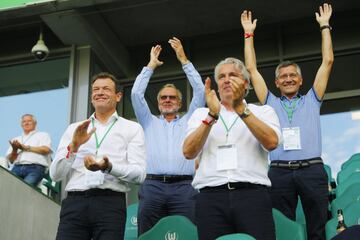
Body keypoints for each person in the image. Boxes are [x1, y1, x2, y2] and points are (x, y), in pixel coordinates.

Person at [241, 3, 334, 240]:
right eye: (283, 76)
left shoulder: (313, 99)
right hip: (279, 172)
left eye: (293, 75)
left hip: (312, 169)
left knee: (318, 226)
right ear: (277, 83)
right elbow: (251, 69)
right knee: (281, 228)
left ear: (301, 80)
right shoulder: (269, 102)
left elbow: (328, 62)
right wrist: (248, 34)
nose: (288, 79)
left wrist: (325, 26)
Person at [183, 57, 282, 240]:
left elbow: (271, 142)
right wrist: (211, 116)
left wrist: (240, 109)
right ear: (217, 85)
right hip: (211, 197)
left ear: (245, 83)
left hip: (252, 195)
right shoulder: (200, 114)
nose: (226, 80)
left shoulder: (263, 111)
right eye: (221, 77)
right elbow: (188, 152)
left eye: (233, 75)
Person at [50, 72, 146, 240]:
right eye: (96, 89)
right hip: (75, 203)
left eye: (106, 89)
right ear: (91, 97)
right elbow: (55, 174)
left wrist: (108, 167)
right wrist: (73, 146)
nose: (100, 92)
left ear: (118, 96)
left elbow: (140, 174)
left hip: (110, 204)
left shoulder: (132, 128)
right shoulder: (75, 128)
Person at [131, 37, 205, 235]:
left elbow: (200, 91)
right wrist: (150, 66)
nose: (167, 100)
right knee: (148, 235)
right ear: (158, 103)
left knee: (187, 234)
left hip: (185, 187)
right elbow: (136, 94)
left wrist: (183, 60)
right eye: (163, 97)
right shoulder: (148, 121)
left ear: (180, 103)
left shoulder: (191, 119)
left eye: (172, 97)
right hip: (153, 186)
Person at [6, 114, 52, 186]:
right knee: (8, 186)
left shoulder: (43, 135)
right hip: (17, 167)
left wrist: (26, 148)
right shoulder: (16, 139)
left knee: (25, 187)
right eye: (24, 121)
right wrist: (14, 150)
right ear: (21, 124)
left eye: (29, 121)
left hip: (35, 168)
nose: (26, 123)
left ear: (35, 123)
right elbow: (11, 160)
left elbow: (46, 149)